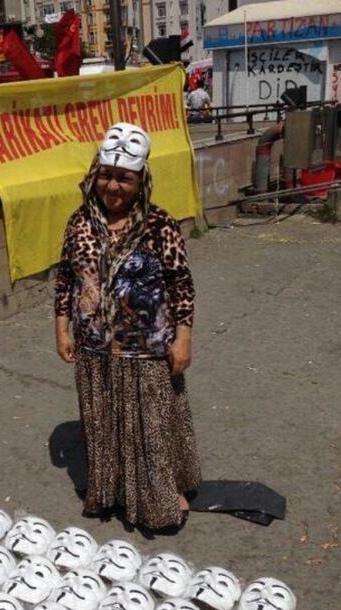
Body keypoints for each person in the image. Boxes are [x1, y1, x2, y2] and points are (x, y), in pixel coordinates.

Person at [54, 122, 201, 532]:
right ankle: (113, 491)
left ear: (141, 181)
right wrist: (61, 328)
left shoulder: (160, 224)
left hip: (148, 348)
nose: (113, 186)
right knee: (102, 425)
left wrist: (184, 337)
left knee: (152, 428)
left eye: (124, 178)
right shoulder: (79, 222)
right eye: (106, 175)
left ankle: (162, 495)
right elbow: (65, 278)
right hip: (94, 348)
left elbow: (181, 283)